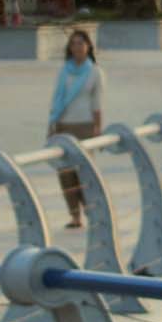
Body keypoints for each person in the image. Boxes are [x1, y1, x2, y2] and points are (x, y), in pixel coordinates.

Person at [44, 22, 105, 219]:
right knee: (65, 173)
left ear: (88, 46)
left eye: (81, 43)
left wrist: (98, 128)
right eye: (74, 44)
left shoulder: (95, 72)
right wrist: (52, 126)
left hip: (85, 127)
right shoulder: (64, 71)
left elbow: (97, 103)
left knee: (84, 172)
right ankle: (74, 215)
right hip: (64, 126)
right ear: (69, 48)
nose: (77, 47)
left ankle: (90, 211)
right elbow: (57, 99)